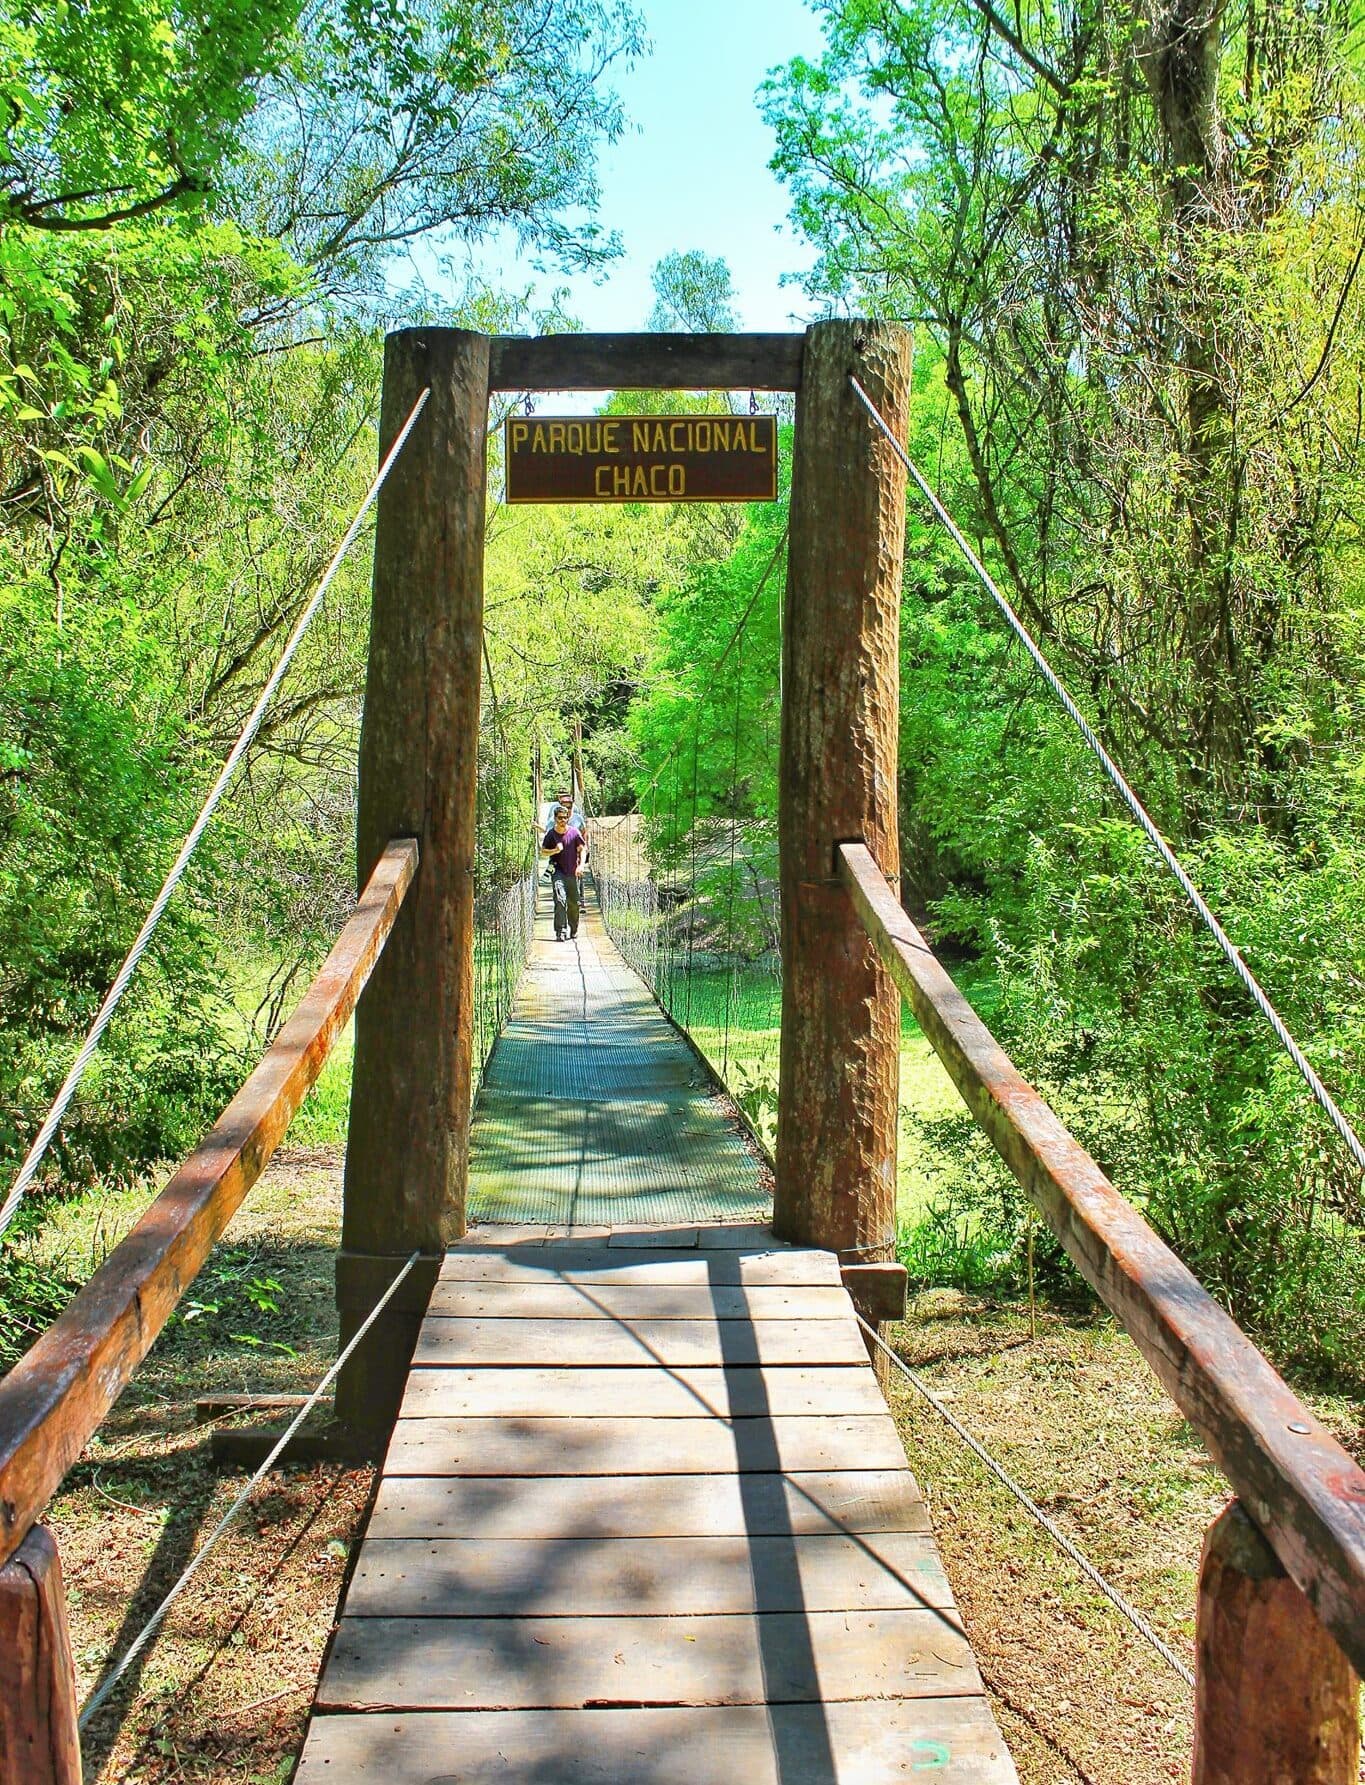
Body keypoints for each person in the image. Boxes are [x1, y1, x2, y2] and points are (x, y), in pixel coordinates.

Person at [540, 804, 586, 940]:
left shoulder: (574, 833)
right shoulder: (551, 834)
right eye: (560, 818)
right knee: (560, 900)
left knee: (574, 904)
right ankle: (561, 931)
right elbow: (543, 851)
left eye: (565, 818)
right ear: (555, 818)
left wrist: (581, 866)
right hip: (557, 872)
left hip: (572, 872)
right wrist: (555, 850)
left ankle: (574, 928)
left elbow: (582, 849)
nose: (563, 820)